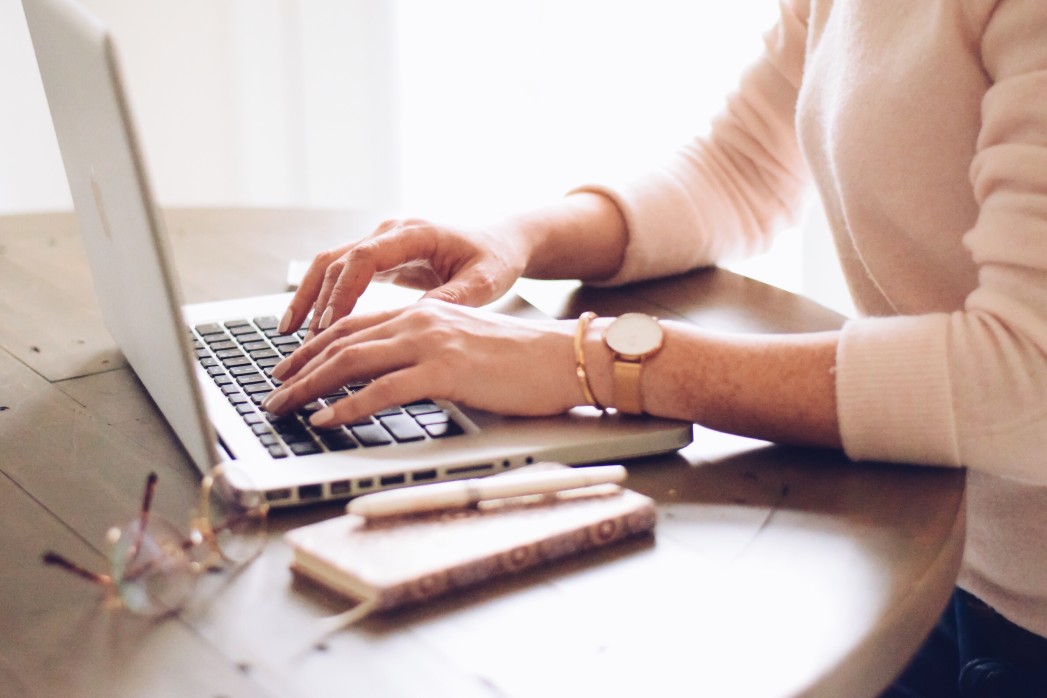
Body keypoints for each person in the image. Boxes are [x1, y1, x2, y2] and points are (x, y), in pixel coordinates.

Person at [262, 1, 1047, 694]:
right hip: (937, 558)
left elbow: (1026, 382)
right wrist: (514, 236)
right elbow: (738, 170)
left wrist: (593, 359)